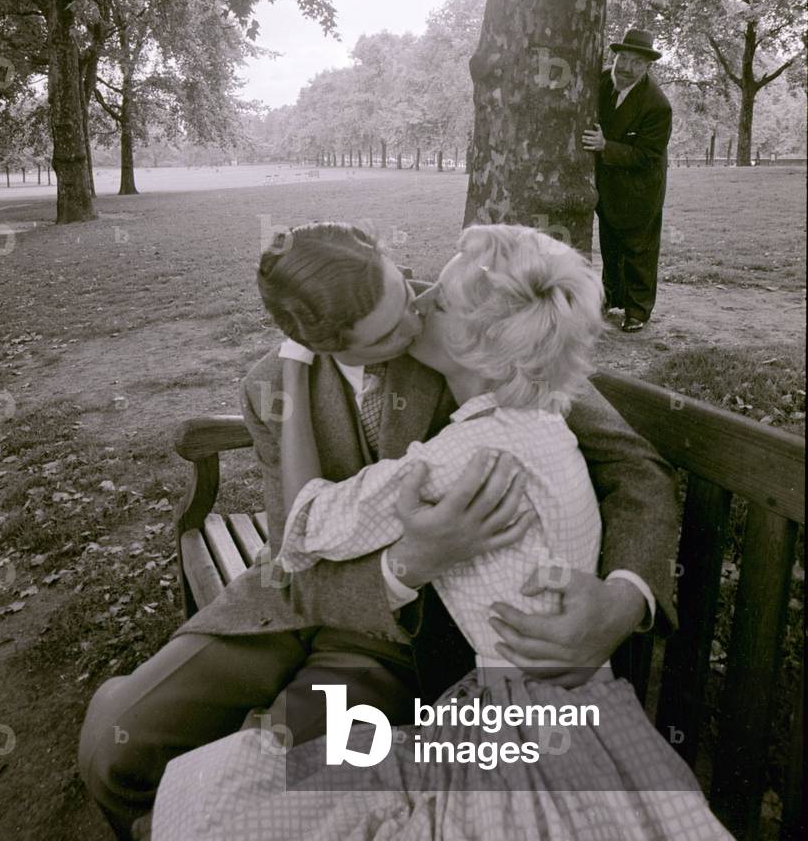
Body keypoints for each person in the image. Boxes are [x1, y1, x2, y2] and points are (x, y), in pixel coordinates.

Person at [78, 221, 679, 840]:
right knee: (112, 749)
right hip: (289, 604)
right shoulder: (272, 384)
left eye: (410, 294)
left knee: (282, 775)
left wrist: (624, 598)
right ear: (317, 342)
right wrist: (407, 563)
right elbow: (293, 542)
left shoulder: (477, 325)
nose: (413, 316)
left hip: (393, 644)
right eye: (387, 334)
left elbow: (633, 466)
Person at [582, 28, 673, 333]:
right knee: (610, 246)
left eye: (636, 63)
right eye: (623, 59)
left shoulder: (657, 105)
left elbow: (648, 155)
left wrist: (606, 146)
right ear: (615, 57)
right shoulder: (601, 81)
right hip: (609, 185)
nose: (626, 68)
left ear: (647, 67)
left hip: (641, 188)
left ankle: (638, 310)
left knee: (639, 251)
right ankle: (610, 297)